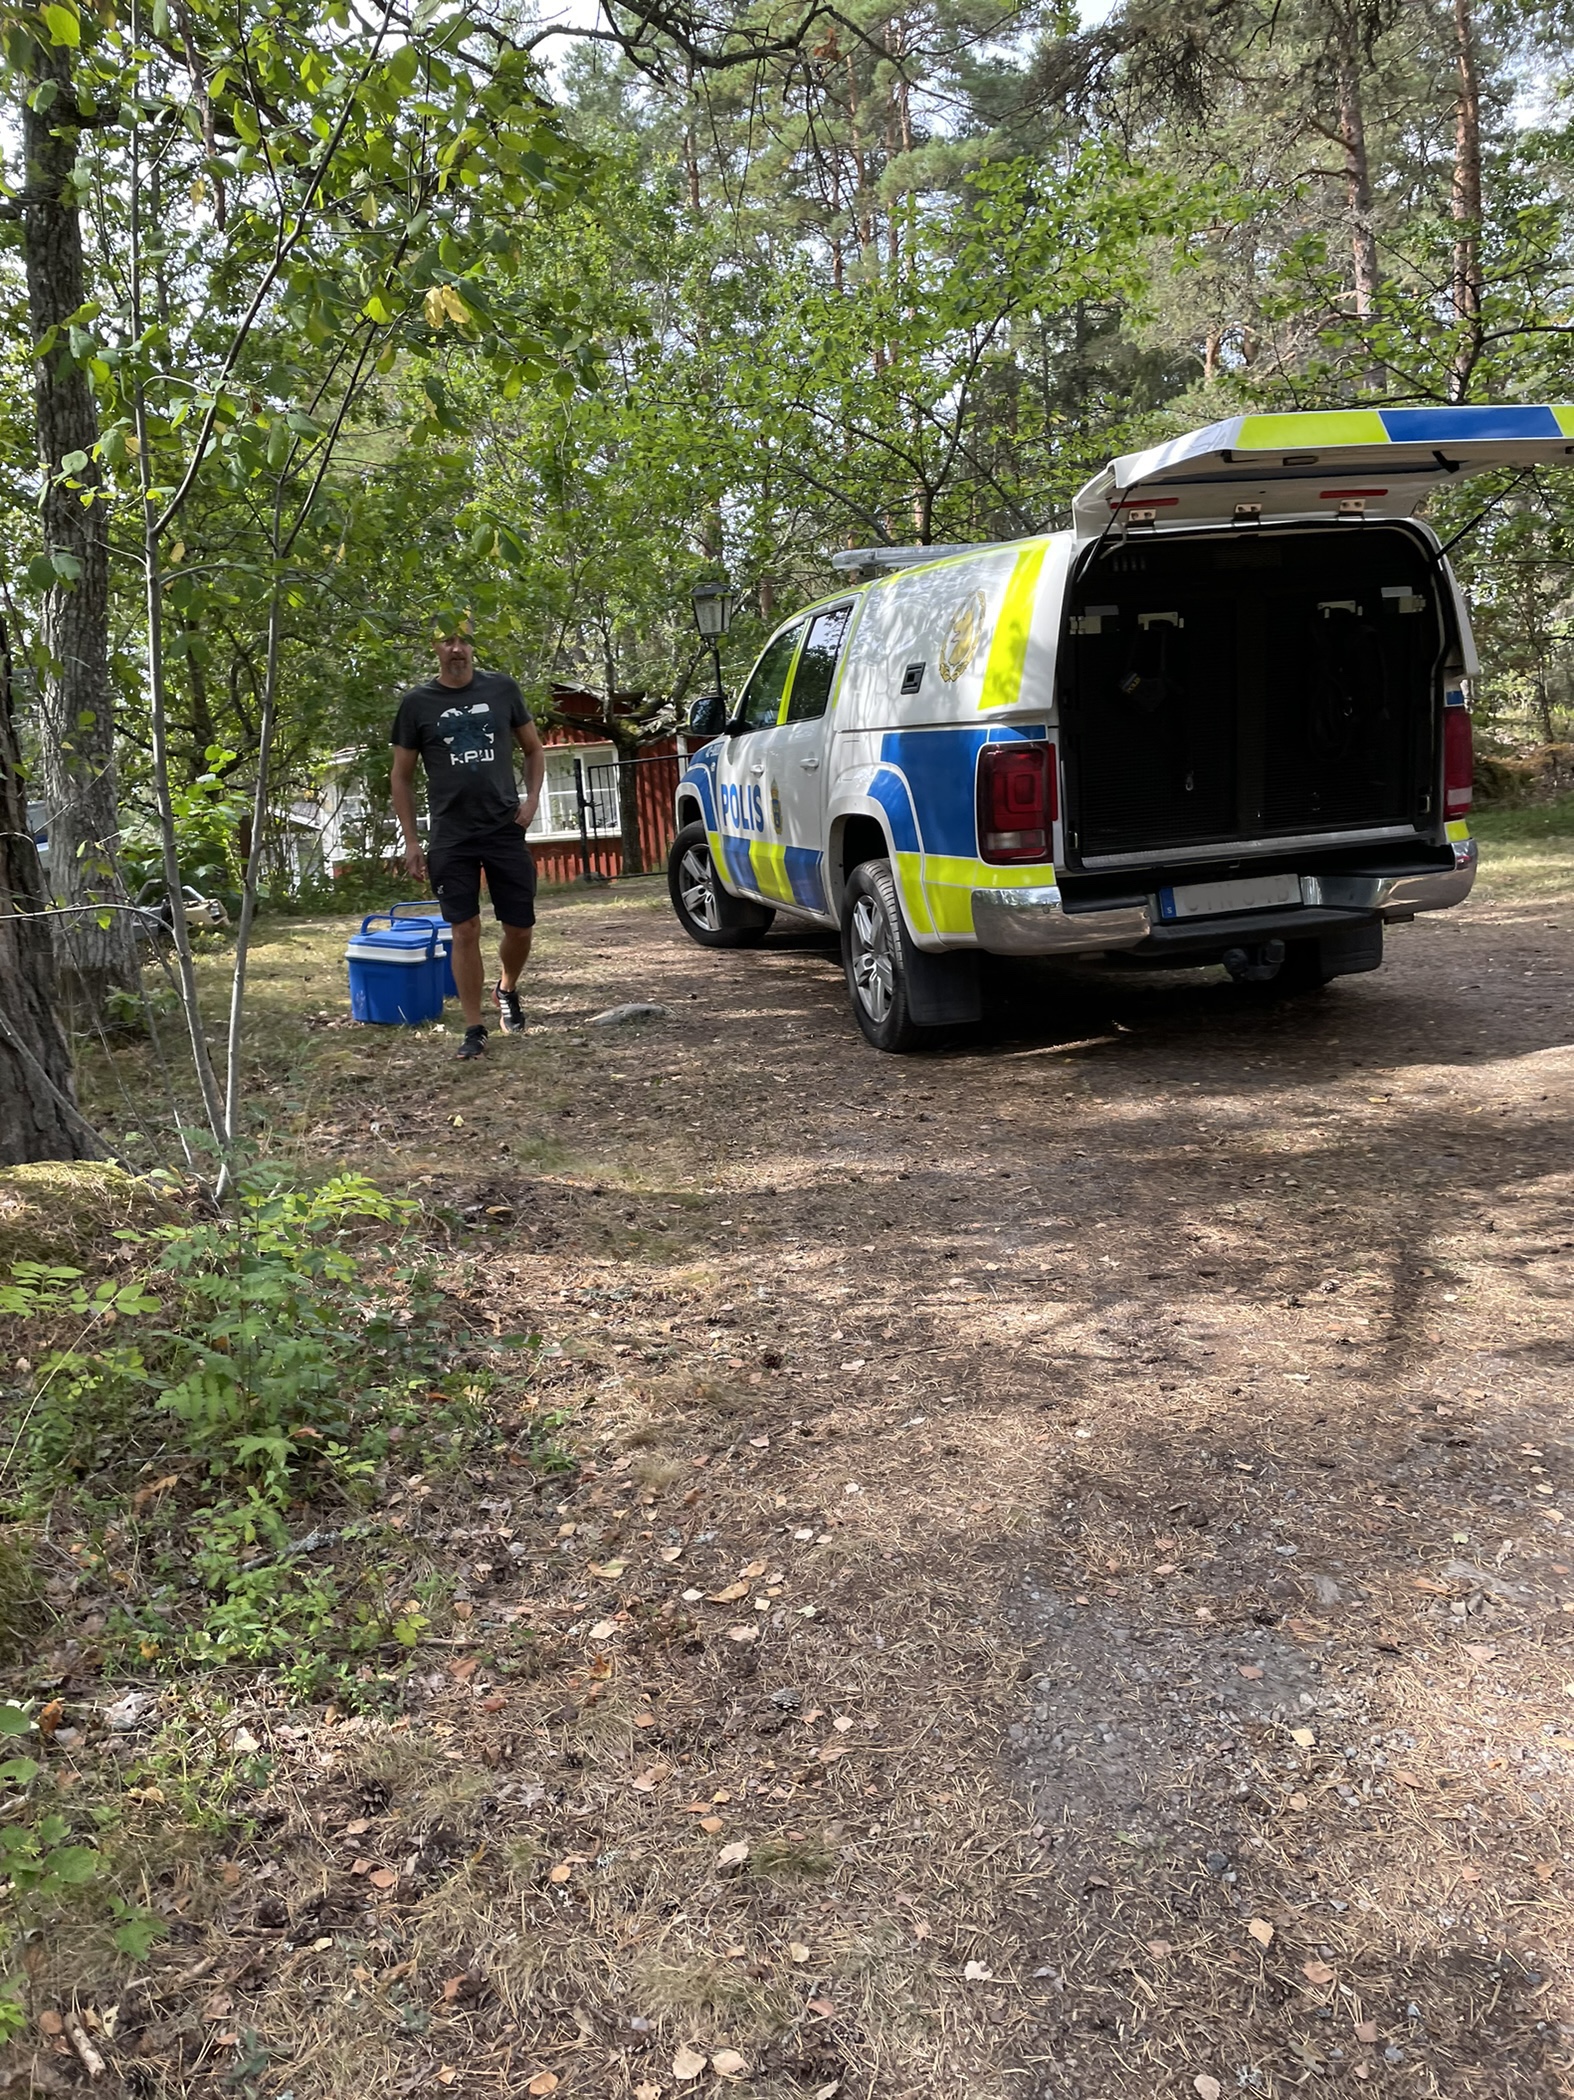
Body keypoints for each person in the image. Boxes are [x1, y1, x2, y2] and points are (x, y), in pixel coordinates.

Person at [390, 623, 546, 1060]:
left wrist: (532, 800)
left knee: (519, 926)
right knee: (464, 929)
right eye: (447, 641)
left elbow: (534, 749)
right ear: (435, 647)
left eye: (463, 640)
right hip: (450, 834)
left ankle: (507, 988)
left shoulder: (502, 689)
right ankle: (475, 1027)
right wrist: (411, 841)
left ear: (472, 645)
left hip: (503, 826)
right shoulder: (417, 703)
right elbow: (401, 777)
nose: (456, 648)